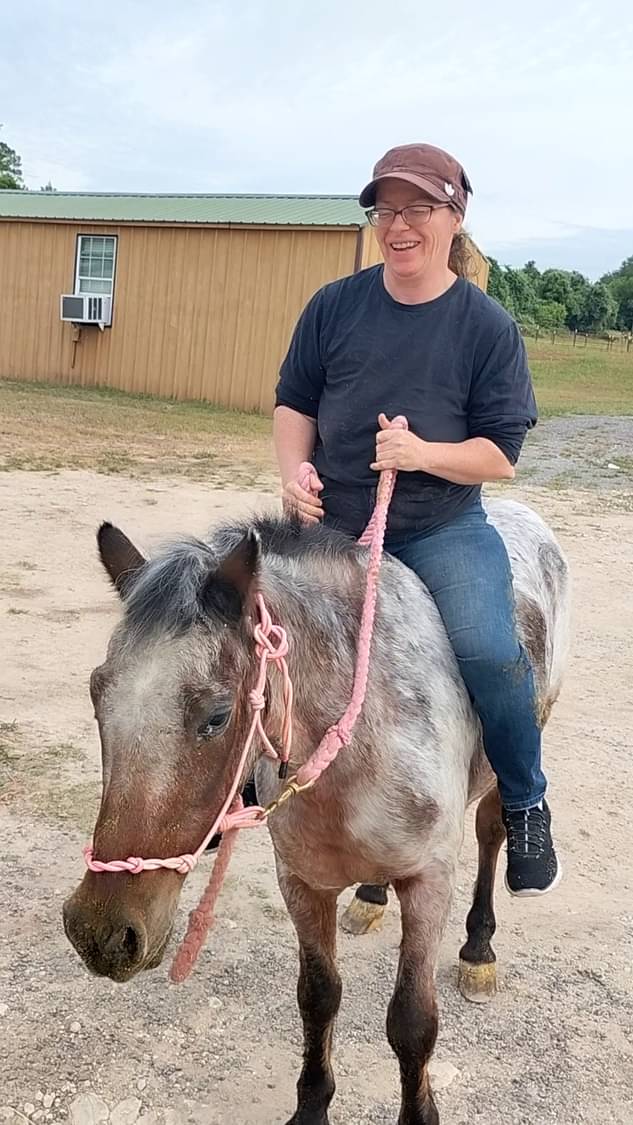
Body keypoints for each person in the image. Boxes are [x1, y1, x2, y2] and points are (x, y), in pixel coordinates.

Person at [273, 143, 561, 896]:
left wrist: (421, 452)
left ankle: (525, 801)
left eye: (418, 209)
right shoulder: (333, 306)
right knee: (258, 637)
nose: (398, 225)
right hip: (334, 522)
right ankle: (243, 789)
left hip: (441, 527)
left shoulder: (486, 328)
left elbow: (499, 455)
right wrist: (294, 472)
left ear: (454, 218)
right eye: (385, 209)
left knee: (491, 651)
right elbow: (294, 403)